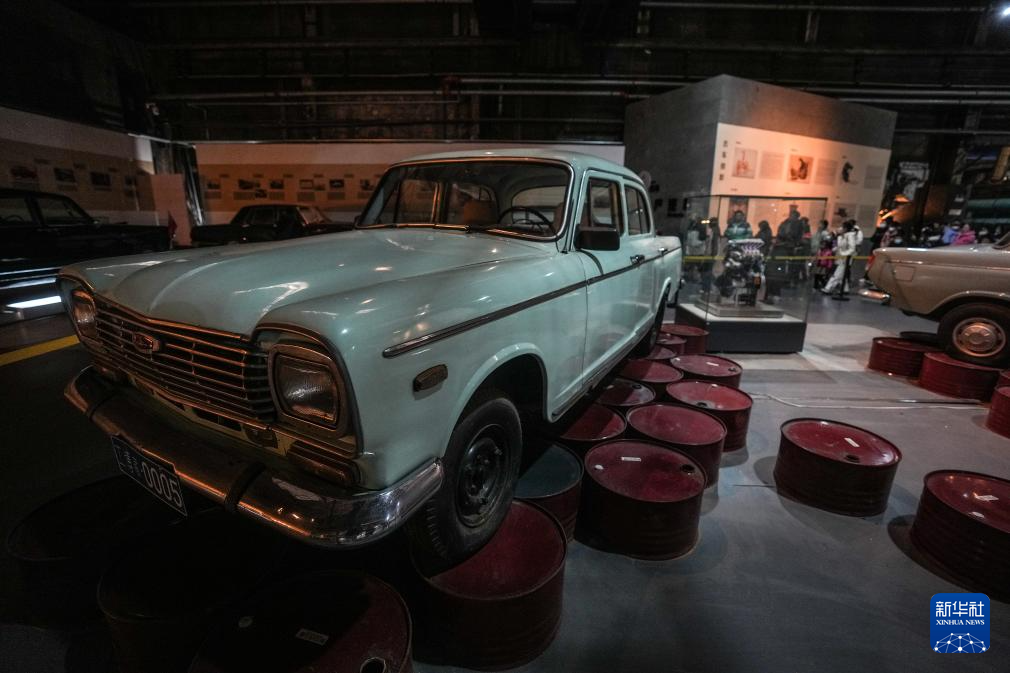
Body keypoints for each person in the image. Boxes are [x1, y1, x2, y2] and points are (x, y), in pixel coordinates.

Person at [821, 219, 863, 297]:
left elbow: (852, 248)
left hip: (845, 258)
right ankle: (845, 289)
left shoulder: (850, 236)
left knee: (837, 273)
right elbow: (841, 246)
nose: (841, 229)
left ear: (845, 228)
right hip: (841, 258)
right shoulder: (843, 236)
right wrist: (836, 249)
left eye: (842, 227)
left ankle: (828, 288)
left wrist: (844, 254)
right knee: (842, 274)